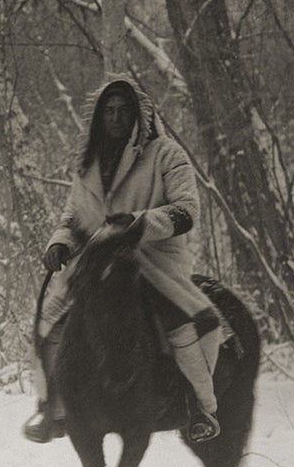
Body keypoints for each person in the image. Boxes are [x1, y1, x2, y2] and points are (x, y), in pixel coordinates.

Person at [22, 75, 226, 445]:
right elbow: (73, 217)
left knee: (190, 324)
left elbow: (186, 210)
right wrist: (61, 243)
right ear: (100, 117)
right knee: (47, 324)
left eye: (124, 111)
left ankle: (197, 406)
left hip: (151, 261)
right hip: (93, 264)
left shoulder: (167, 155)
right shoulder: (88, 164)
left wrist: (138, 224)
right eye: (109, 111)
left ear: (139, 117)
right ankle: (53, 408)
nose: (116, 118)